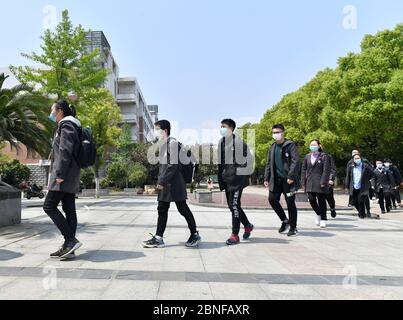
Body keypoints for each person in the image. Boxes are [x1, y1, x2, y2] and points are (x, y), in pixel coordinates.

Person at [143, 120, 201, 248]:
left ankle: (195, 234)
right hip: (166, 183)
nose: (155, 132)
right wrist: (161, 181)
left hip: (174, 183)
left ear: (165, 131)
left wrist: (162, 182)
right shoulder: (164, 145)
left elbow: (172, 165)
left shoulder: (172, 143)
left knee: (183, 209)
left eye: (157, 129)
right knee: (162, 209)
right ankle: (158, 238)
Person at [43, 100, 83, 260]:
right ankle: (69, 248)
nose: (51, 113)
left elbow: (65, 150)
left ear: (59, 111)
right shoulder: (72, 125)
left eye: (52, 110)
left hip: (64, 174)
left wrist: (59, 174)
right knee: (69, 209)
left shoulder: (66, 125)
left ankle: (70, 240)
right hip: (71, 173)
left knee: (49, 206)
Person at [218, 119, 254, 245]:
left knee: (234, 206)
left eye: (224, 126)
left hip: (237, 180)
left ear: (231, 128)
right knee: (232, 206)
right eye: (220, 126)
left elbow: (248, 160)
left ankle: (235, 235)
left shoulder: (239, 143)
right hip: (226, 180)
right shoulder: (221, 142)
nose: (221, 128)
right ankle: (248, 225)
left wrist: (240, 175)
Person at [264, 124, 301, 237]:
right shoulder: (272, 147)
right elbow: (269, 163)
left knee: (290, 203)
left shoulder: (290, 145)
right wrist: (266, 177)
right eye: (274, 132)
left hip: (289, 181)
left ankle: (293, 227)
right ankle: (285, 221)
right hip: (275, 180)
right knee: (272, 199)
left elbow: (296, 161)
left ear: (283, 132)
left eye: (278, 132)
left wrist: (291, 176)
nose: (275, 134)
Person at [301, 140, 331, 228]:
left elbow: (326, 170)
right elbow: (303, 170)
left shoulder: (324, 156)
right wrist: (303, 182)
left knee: (321, 200)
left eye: (314, 145)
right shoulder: (307, 156)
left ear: (319, 146)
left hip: (320, 182)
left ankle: (323, 218)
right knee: (311, 199)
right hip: (310, 182)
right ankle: (318, 213)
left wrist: (323, 181)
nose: (312, 146)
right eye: (311, 145)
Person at [345, 153, 375, 219]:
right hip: (354, 186)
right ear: (353, 159)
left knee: (361, 201)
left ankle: (362, 214)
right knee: (354, 202)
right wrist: (347, 185)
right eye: (355, 158)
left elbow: (373, 174)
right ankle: (361, 212)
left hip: (363, 187)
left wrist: (370, 182)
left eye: (358, 158)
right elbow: (348, 176)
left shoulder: (365, 166)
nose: (357, 159)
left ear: (361, 159)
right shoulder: (351, 166)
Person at [326, 154, 337, 218]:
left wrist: (331, 178)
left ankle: (332, 208)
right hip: (317, 181)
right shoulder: (312, 157)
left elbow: (333, 169)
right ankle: (323, 215)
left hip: (327, 181)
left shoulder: (328, 156)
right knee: (320, 198)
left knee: (330, 198)